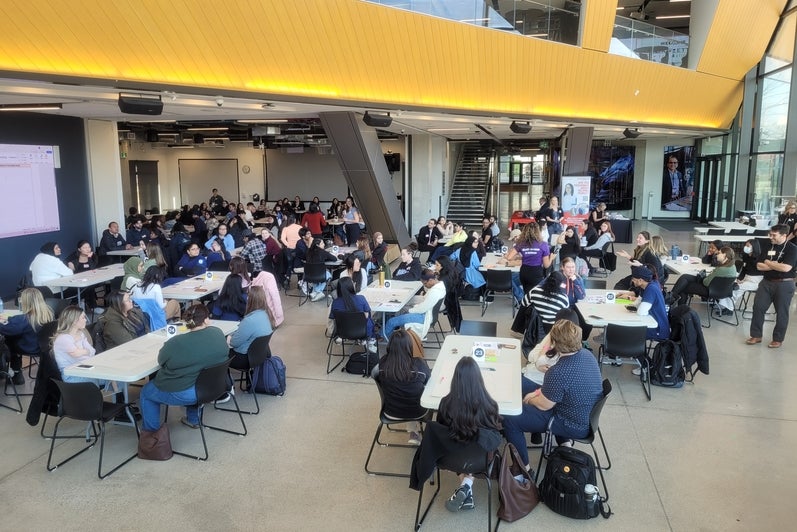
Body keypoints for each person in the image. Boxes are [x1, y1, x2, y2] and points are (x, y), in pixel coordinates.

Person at [502, 319, 602, 467]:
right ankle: (564, 445)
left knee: (510, 419)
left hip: (570, 423)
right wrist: (538, 393)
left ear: (554, 343)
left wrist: (530, 399)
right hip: (585, 416)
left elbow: (544, 405)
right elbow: (557, 391)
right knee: (536, 394)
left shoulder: (558, 371)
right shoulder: (588, 356)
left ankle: (523, 469)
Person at [139, 304, 229, 432]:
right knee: (196, 373)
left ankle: (152, 435)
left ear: (186, 322)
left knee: (146, 393)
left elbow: (161, 361)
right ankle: (193, 419)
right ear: (206, 319)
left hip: (187, 392)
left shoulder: (176, 342)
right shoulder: (217, 332)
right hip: (214, 386)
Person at [437, 356, 502, 512]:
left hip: (452, 457)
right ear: (479, 378)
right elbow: (495, 436)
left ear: (455, 379)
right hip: (482, 459)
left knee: (460, 444)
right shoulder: (491, 405)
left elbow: (441, 431)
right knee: (478, 445)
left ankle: (466, 488)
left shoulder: (445, 403)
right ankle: (467, 485)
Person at [374, 329, 431, 445]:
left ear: (390, 346)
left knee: (404, 394)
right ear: (409, 346)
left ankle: (413, 432)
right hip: (417, 412)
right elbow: (428, 382)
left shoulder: (382, 364)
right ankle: (418, 433)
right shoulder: (419, 365)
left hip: (390, 411)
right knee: (421, 394)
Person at [747, 224, 797, 349]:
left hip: (784, 283)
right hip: (766, 282)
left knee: (781, 312)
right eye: (770, 234)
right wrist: (775, 264)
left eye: (774, 235)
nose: (771, 237)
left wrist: (768, 263)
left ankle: (777, 339)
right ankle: (756, 335)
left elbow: (786, 268)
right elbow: (759, 266)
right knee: (758, 307)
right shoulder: (768, 246)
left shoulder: (792, 249)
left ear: (784, 235)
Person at [0, 287, 54, 385]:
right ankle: (16, 372)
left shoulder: (24, 319)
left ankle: (14, 372)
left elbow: (7, 329)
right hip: (43, 347)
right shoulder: (49, 314)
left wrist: (2, 322)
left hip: (29, 347)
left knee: (7, 340)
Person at [382, 269, 446, 340]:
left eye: (425, 283)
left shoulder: (435, 292)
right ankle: (390, 333)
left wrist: (410, 310)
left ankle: (383, 337)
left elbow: (423, 308)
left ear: (431, 280)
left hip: (424, 317)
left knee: (391, 321)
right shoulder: (439, 286)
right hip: (426, 314)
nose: (425, 286)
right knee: (400, 312)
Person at [52, 306, 106, 387]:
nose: (86, 320)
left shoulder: (81, 334)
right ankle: (96, 399)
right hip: (71, 376)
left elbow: (92, 351)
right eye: (83, 317)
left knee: (114, 375)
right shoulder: (63, 338)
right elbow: (79, 359)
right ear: (74, 321)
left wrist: (83, 351)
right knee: (95, 379)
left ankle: (120, 397)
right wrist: (86, 351)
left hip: (83, 370)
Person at [617, 265, 670, 343]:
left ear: (640, 280)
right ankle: (638, 353)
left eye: (634, 279)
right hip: (653, 322)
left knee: (625, 329)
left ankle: (633, 352)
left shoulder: (651, 289)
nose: (632, 281)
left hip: (658, 328)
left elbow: (641, 312)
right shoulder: (648, 285)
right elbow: (637, 302)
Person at [227, 285, 273, 370]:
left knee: (219, 355)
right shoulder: (266, 315)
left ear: (250, 299)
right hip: (259, 356)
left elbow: (234, 343)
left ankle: (227, 382)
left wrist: (229, 337)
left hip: (244, 358)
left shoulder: (249, 320)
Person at [499, 222, 552, 294]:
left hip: (524, 271)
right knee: (535, 294)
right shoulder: (543, 244)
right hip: (536, 272)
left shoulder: (521, 243)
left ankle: (524, 303)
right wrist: (551, 257)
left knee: (526, 292)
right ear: (538, 232)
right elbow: (546, 265)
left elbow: (509, 257)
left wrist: (522, 255)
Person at [329, 277, 377, 353]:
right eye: (353, 283)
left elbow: (333, 318)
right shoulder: (361, 298)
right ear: (350, 287)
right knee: (369, 316)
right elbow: (367, 316)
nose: (354, 284)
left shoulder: (335, 302)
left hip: (343, 332)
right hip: (362, 332)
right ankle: (369, 340)